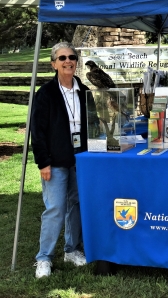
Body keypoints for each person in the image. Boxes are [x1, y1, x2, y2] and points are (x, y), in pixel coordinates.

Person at [31, 42, 91, 278]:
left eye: (72, 57)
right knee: (55, 208)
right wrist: (42, 162)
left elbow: (92, 124)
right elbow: (37, 131)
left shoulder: (84, 91)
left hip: (79, 160)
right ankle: (44, 258)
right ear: (54, 63)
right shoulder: (45, 93)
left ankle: (72, 249)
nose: (68, 61)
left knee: (75, 206)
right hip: (54, 162)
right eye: (63, 57)